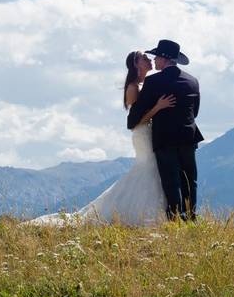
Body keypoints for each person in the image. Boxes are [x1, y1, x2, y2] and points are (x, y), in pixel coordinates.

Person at [29, 51, 175, 225]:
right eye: (144, 58)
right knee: (148, 169)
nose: (149, 60)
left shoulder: (143, 85)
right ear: (136, 63)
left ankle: (149, 214)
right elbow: (135, 121)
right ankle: (141, 215)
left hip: (148, 132)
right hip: (142, 134)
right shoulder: (133, 88)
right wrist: (158, 107)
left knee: (149, 170)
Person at [127, 39, 203, 220]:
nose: (154, 61)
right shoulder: (193, 81)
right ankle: (191, 217)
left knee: (171, 181)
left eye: (156, 57)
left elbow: (136, 115)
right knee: (189, 180)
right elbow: (196, 111)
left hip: (165, 138)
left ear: (164, 59)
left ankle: (175, 218)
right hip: (188, 136)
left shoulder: (153, 82)